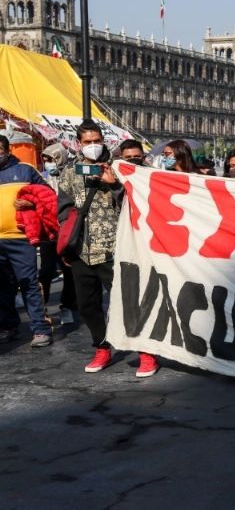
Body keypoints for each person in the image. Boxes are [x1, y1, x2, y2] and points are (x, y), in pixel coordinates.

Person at [58, 122, 158, 374]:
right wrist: (67, 239)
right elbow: (63, 208)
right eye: (87, 141)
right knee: (88, 305)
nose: (93, 146)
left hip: (116, 248)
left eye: (97, 140)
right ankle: (102, 348)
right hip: (81, 249)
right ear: (78, 143)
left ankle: (145, 352)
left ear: (104, 140)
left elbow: (139, 201)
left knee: (129, 301)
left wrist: (115, 184)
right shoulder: (70, 171)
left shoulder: (120, 167)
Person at [0, 134, 54, 346]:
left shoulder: (25, 170)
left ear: (7, 150)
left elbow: (47, 194)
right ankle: (7, 326)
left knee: (29, 284)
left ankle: (41, 329)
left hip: (21, 238)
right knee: (2, 286)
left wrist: (31, 203)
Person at [37, 143, 77, 325]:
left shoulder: (71, 176)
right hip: (48, 233)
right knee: (45, 271)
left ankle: (67, 306)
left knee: (68, 271)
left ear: (60, 158)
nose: (48, 164)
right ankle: (41, 307)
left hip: (67, 231)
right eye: (45, 160)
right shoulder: (41, 179)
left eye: (51, 160)